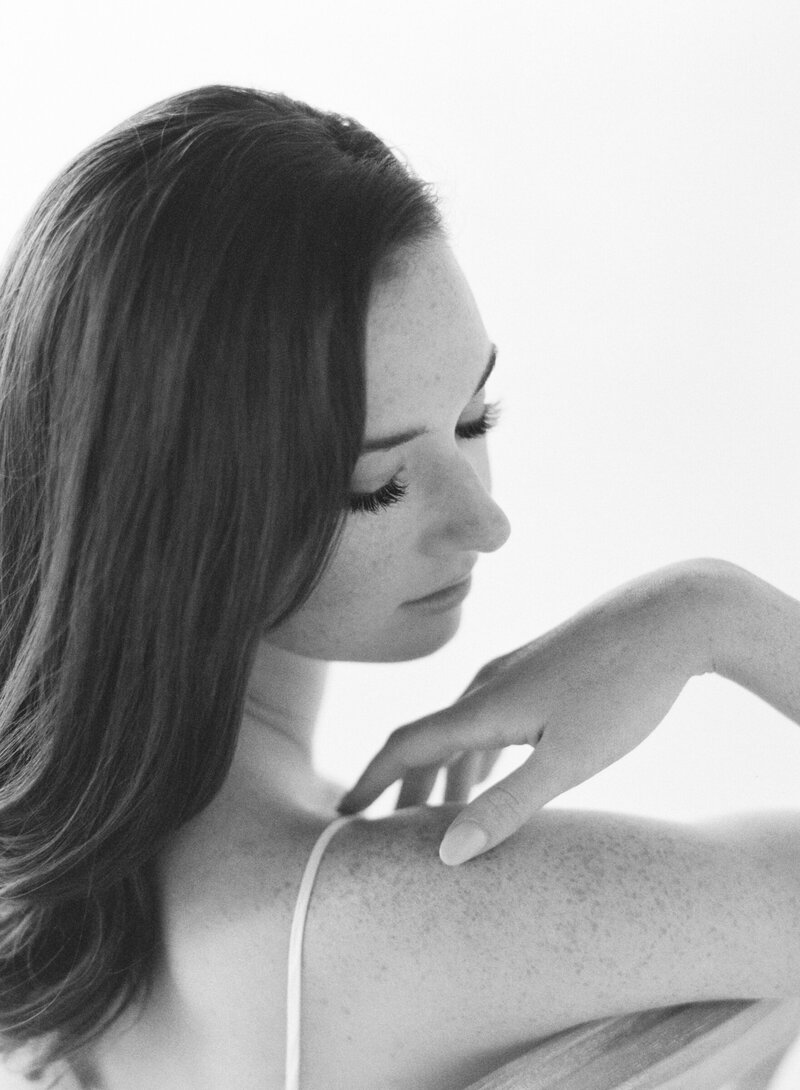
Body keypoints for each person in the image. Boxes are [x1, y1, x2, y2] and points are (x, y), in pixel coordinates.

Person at [0, 84, 798, 1090]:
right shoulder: (389, 926)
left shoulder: (68, 905)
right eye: (378, 482)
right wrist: (711, 612)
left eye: (473, 419)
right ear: (182, 517)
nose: (486, 521)